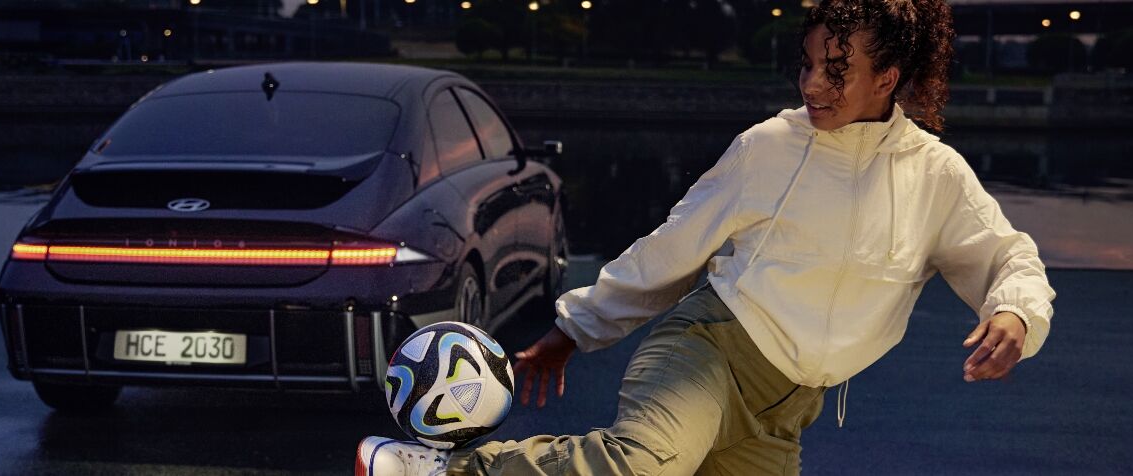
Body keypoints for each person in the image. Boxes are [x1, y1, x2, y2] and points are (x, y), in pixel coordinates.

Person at [358, 0, 1056, 474]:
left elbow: (1006, 256)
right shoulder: (769, 148)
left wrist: (1015, 312)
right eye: (807, 64)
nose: (813, 83)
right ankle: (444, 467)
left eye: (836, 70)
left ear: (889, 79)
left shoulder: (936, 175)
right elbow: (673, 249)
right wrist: (573, 329)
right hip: (710, 352)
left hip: (785, 411)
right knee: (645, 463)